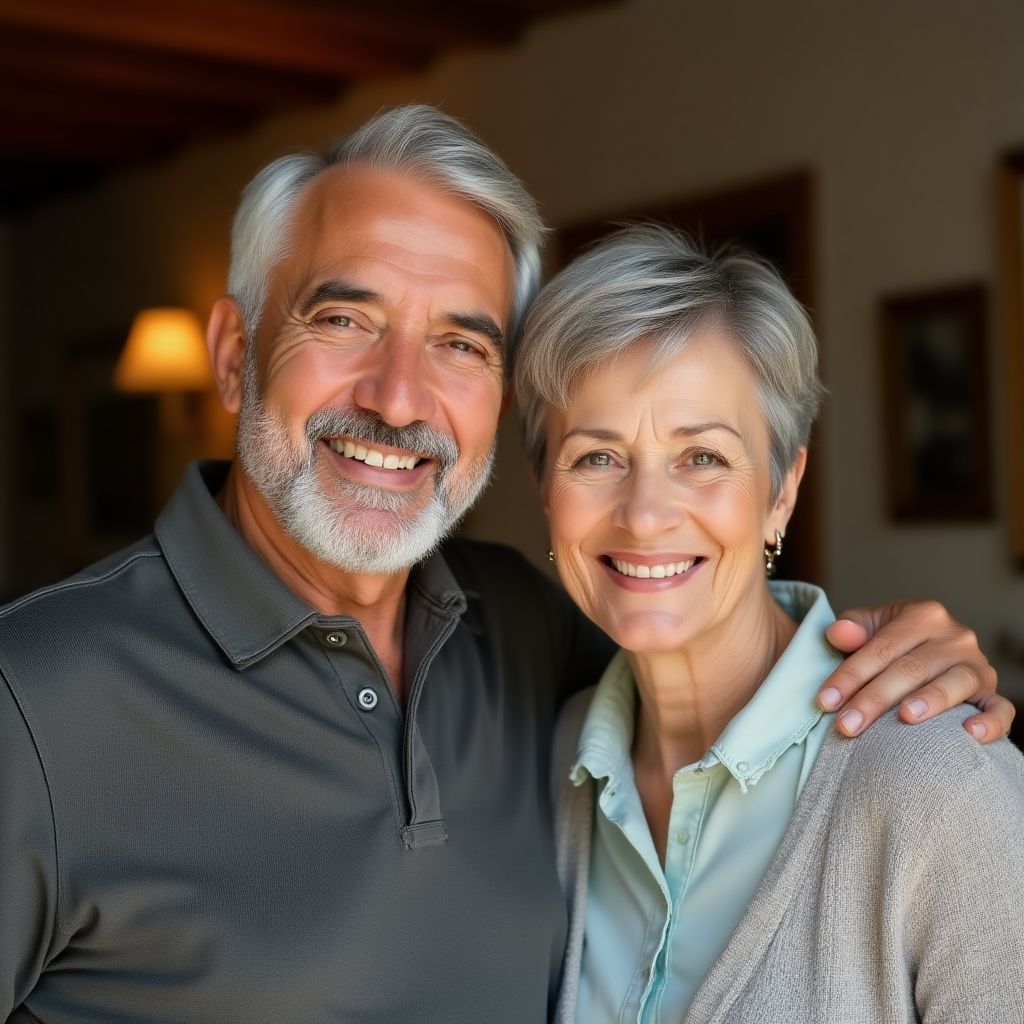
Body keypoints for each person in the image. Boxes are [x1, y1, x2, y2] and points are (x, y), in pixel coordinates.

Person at [0, 107, 1011, 1023]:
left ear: (783, 487)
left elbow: (723, 646)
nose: (399, 399)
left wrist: (910, 647)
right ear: (233, 352)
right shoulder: (33, 697)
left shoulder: (525, 633)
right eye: (344, 319)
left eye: (460, 343)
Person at [508, 225, 1024, 1023]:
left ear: (782, 489)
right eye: (596, 457)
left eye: (703, 457)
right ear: (547, 493)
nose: (644, 516)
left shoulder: (941, 788)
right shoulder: (549, 766)